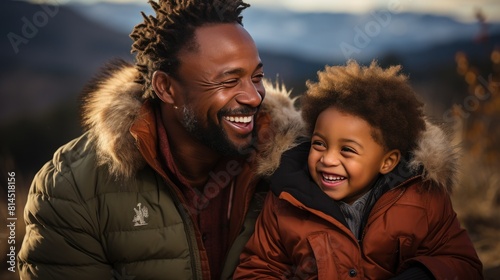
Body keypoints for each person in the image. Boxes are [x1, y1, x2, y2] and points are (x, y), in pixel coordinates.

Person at [17, 1, 305, 279]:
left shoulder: (300, 168)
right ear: (166, 88)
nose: (254, 96)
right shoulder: (72, 188)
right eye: (229, 81)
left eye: (257, 77)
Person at [234, 60, 484, 279]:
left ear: (387, 162)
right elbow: (257, 269)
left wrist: (422, 275)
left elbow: (462, 262)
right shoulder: (286, 200)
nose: (328, 159)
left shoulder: (422, 199)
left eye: (347, 150)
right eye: (319, 144)